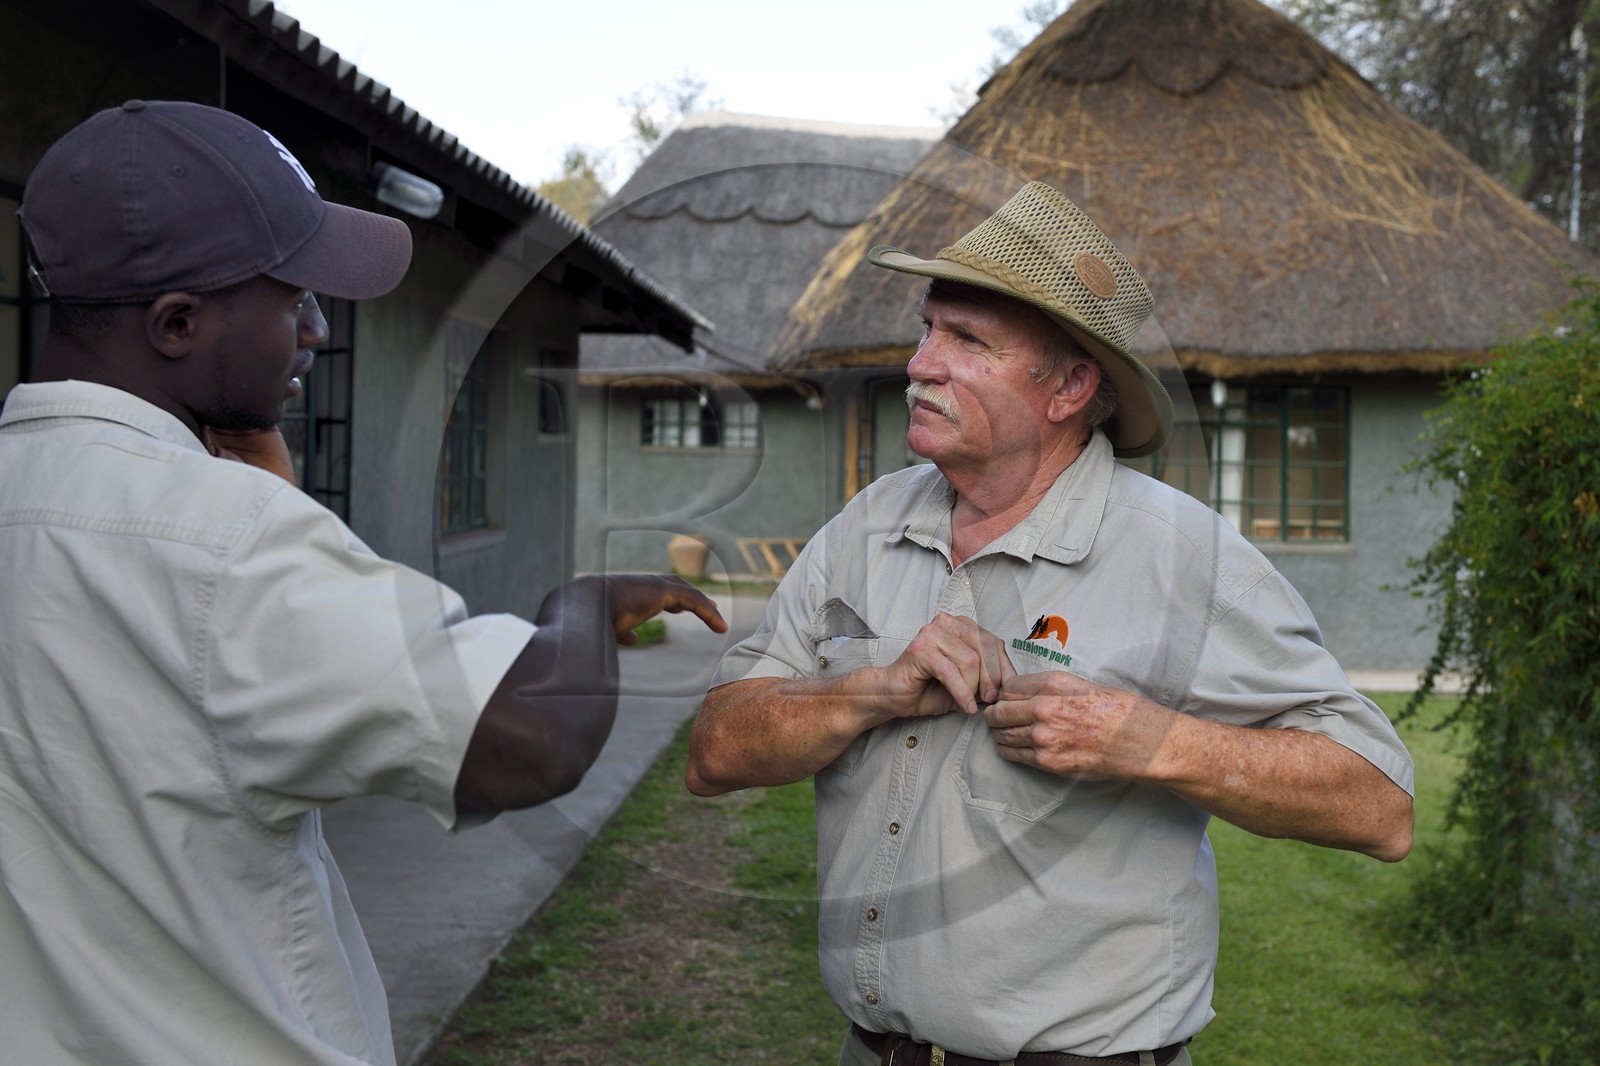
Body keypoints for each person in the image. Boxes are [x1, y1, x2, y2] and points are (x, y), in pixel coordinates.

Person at [0, 100, 725, 1066]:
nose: (316, 328)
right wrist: (583, 604)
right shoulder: (222, 537)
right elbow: (526, 741)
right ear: (176, 323)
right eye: (291, 295)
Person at [687, 181, 1413, 1066]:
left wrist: (1148, 741)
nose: (921, 363)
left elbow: (1381, 806)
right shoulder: (867, 526)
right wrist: (869, 691)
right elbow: (714, 754)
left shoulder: (1183, 556)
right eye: (927, 329)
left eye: (968, 341)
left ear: (1070, 386)